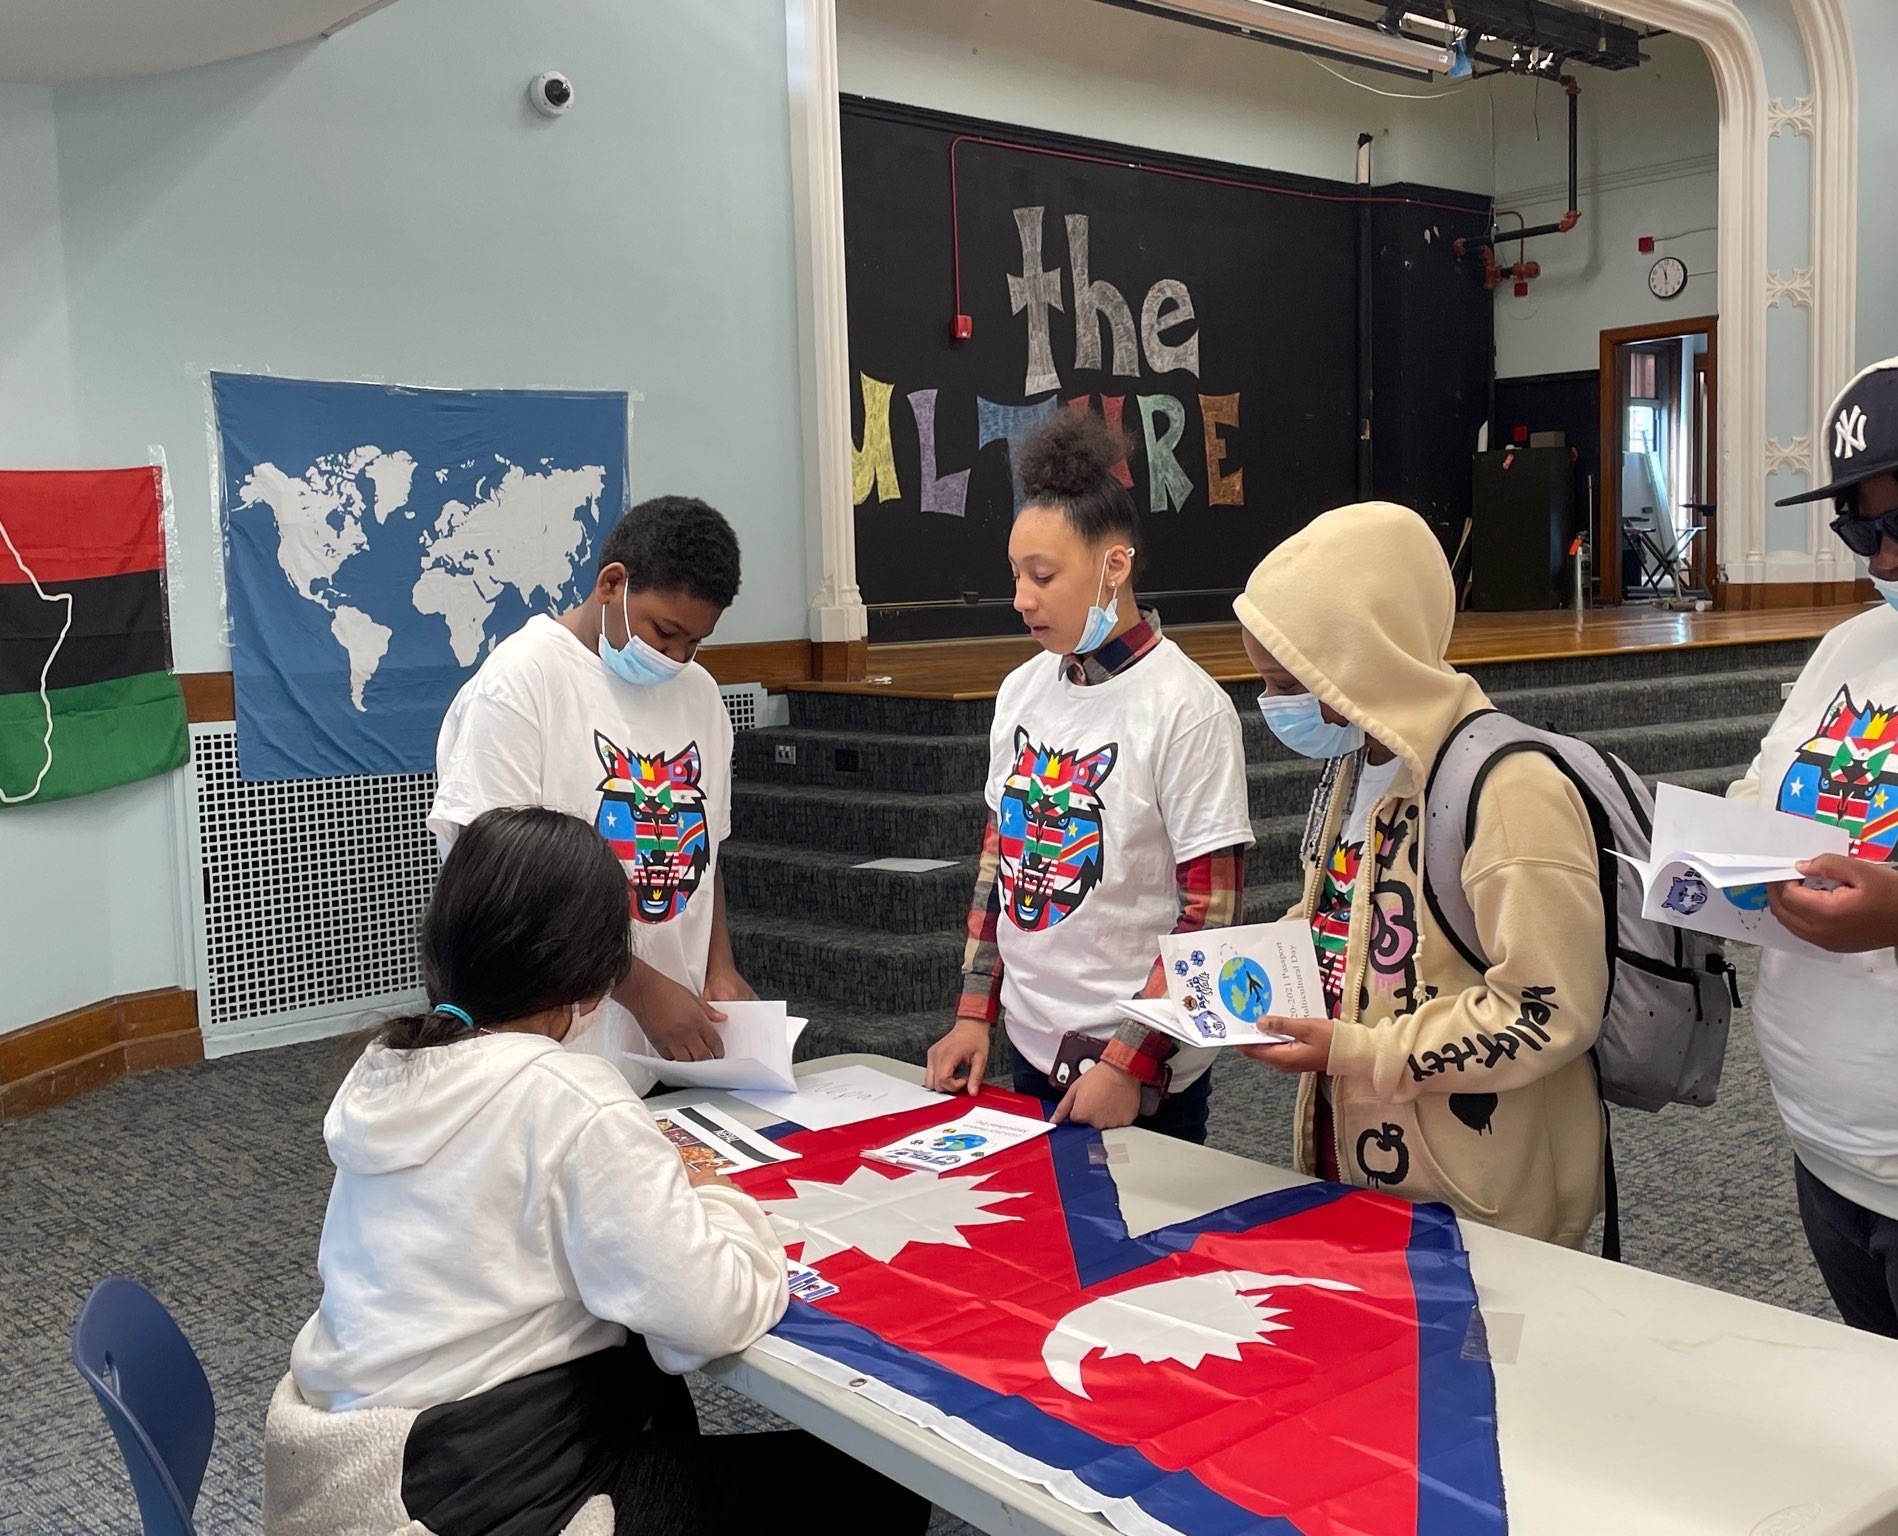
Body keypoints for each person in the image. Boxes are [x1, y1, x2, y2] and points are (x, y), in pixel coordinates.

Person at [265, 806, 929, 1535]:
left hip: (352, 1465)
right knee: (881, 1489)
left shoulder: (388, 1071)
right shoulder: (572, 1100)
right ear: (593, 978)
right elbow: (709, 1315)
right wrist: (720, 1199)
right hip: (467, 1494)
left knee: (647, 1379)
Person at [1231, 502, 1606, 1246]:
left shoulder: (1508, 789)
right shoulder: (1360, 759)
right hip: (1361, 1154)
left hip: (1475, 1193)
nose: (1274, 704)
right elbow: (1347, 909)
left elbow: (1548, 1010)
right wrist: (1239, 965)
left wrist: (1357, 1052)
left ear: (1363, 656)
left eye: (1288, 680)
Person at [1735, 351, 1898, 1396]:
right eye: (1859, 528)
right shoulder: (1848, 644)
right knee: (1897, 1440)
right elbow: (1760, 795)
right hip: (1826, 1147)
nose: (1890, 557)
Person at [924, 410, 1253, 1142]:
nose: (1020, 598)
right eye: (1015, 574)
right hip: (1031, 1046)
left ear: (1115, 566)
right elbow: (998, 868)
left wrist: (1129, 1064)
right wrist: (975, 1013)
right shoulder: (1021, 691)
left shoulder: (1187, 708)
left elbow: (1211, 914)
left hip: (1137, 1071)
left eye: (1043, 576)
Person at [428, 496, 753, 1095]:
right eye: (665, 632)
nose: (677, 657)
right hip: (550, 1048)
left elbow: (708, 852)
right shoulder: (521, 681)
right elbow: (497, 887)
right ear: (612, 584)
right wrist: (638, 987)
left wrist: (719, 967)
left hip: (668, 1045)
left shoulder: (700, 695)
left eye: (696, 642)